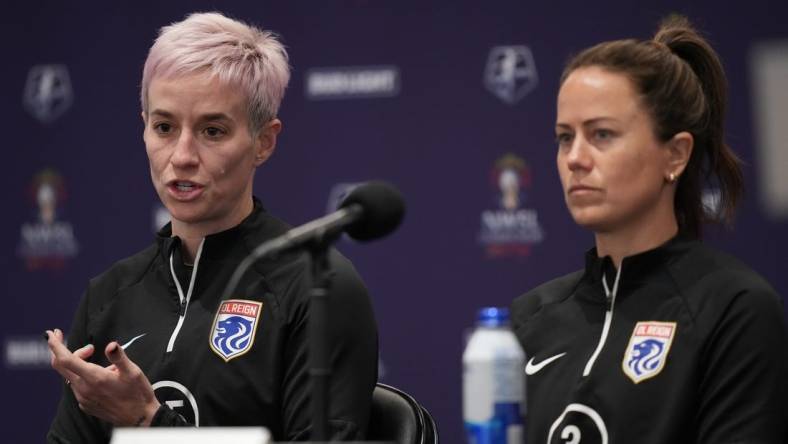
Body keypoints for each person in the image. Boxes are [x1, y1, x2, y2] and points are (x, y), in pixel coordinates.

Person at [45, 12, 378, 442]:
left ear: (264, 142)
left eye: (212, 130)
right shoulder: (107, 297)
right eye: (164, 127)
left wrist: (148, 420)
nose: (181, 155)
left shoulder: (317, 286)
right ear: (144, 127)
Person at [511, 15, 787, 443]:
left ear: (675, 155)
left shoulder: (734, 307)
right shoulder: (529, 318)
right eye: (565, 138)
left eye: (602, 134)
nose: (575, 158)